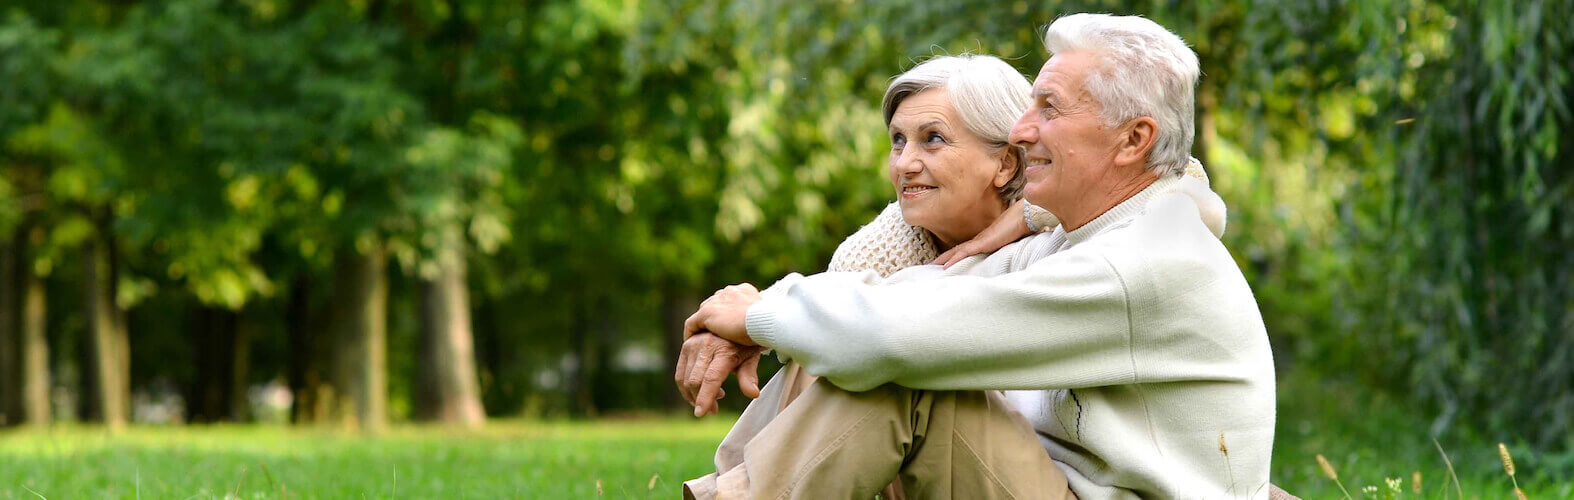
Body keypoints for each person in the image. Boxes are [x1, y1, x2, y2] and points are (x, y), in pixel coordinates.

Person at [679, 13, 1275, 499]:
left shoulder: (1142, 258)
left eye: (1049, 107)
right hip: (1049, 481)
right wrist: (760, 311)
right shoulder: (1083, 236)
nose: (1020, 130)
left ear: (1134, 140)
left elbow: (905, 335)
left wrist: (758, 317)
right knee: (864, 342)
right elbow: (913, 300)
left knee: (902, 367)